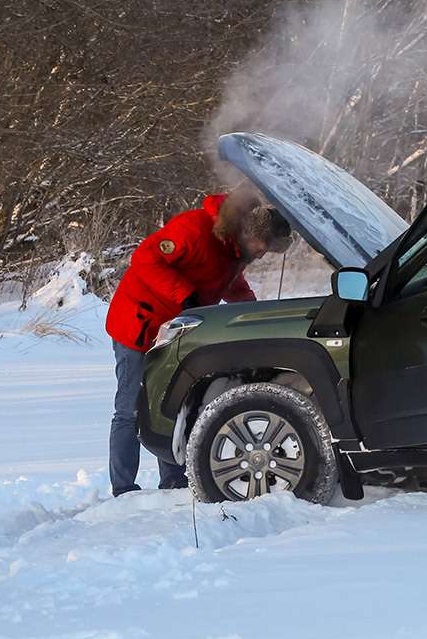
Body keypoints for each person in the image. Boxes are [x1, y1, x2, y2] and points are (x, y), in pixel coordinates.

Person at [104, 189, 292, 497]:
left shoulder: (235, 249)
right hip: (138, 324)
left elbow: (230, 282)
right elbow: (144, 259)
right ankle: (124, 489)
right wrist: (184, 294)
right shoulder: (194, 230)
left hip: (176, 331)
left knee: (171, 402)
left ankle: (173, 480)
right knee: (131, 408)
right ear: (251, 233)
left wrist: (255, 314)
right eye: (264, 247)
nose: (261, 255)